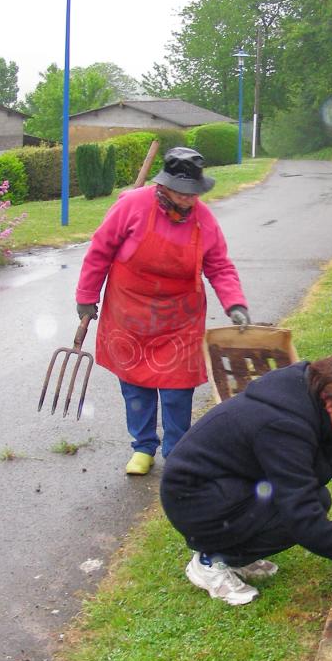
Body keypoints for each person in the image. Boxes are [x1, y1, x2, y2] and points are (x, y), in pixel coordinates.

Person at [160, 354, 332, 605]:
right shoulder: (282, 425)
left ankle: (235, 553)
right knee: (292, 515)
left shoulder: (313, 400)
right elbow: (302, 517)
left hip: (229, 483)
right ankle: (212, 560)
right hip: (194, 497)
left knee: (316, 499)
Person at [75, 146, 250, 476]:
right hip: (130, 313)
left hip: (179, 318)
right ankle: (142, 446)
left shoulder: (204, 220)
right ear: (164, 186)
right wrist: (87, 295)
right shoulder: (131, 206)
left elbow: (220, 266)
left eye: (192, 193)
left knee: (177, 388)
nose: (187, 199)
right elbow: (99, 251)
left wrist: (235, 303)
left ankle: (177, 450)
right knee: (135, 384)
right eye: (181, 192)